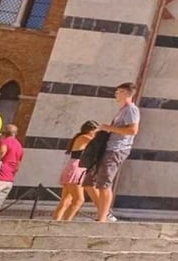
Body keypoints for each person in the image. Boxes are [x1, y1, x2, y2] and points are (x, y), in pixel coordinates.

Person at [89, 82, 140, 224]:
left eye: (119, 92)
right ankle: (103, 214)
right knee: (94, 182)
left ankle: (103, 218)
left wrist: (109, 128)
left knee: (105, 182)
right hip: (110, 147)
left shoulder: (131, 109)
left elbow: (133, 130)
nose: (116, 94)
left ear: (126, 93)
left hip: (117, 148)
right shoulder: (122, 110)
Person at [53, 120, 100, 222]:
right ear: (90, 130)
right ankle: (66, 222)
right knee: (79, 200)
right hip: (77, 168)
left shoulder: (80, 137)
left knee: (66, 200)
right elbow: (97, 144)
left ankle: (55, 222)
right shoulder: (84, 137)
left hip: (74, 167)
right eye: (96, 131)